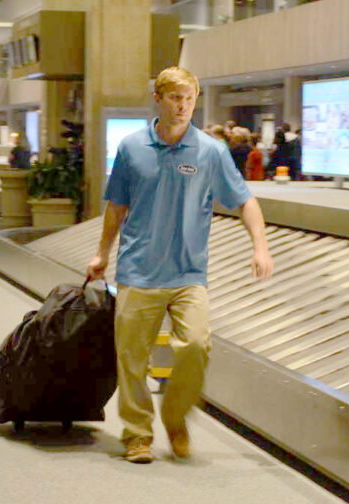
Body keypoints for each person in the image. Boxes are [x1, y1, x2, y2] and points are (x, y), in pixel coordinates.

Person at [86, 66, 274, 464]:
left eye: (189, 99)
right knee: (132, 360)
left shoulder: (210, 151)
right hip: (138, 270)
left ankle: (174, 414)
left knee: (195, 346)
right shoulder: (131, 147)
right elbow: (116, 206)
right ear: (158, 99)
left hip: (189, 273)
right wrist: (103, 252)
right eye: (175, 98)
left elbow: (245, 200)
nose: (183, 106)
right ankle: (137, 434)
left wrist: (260, 246)